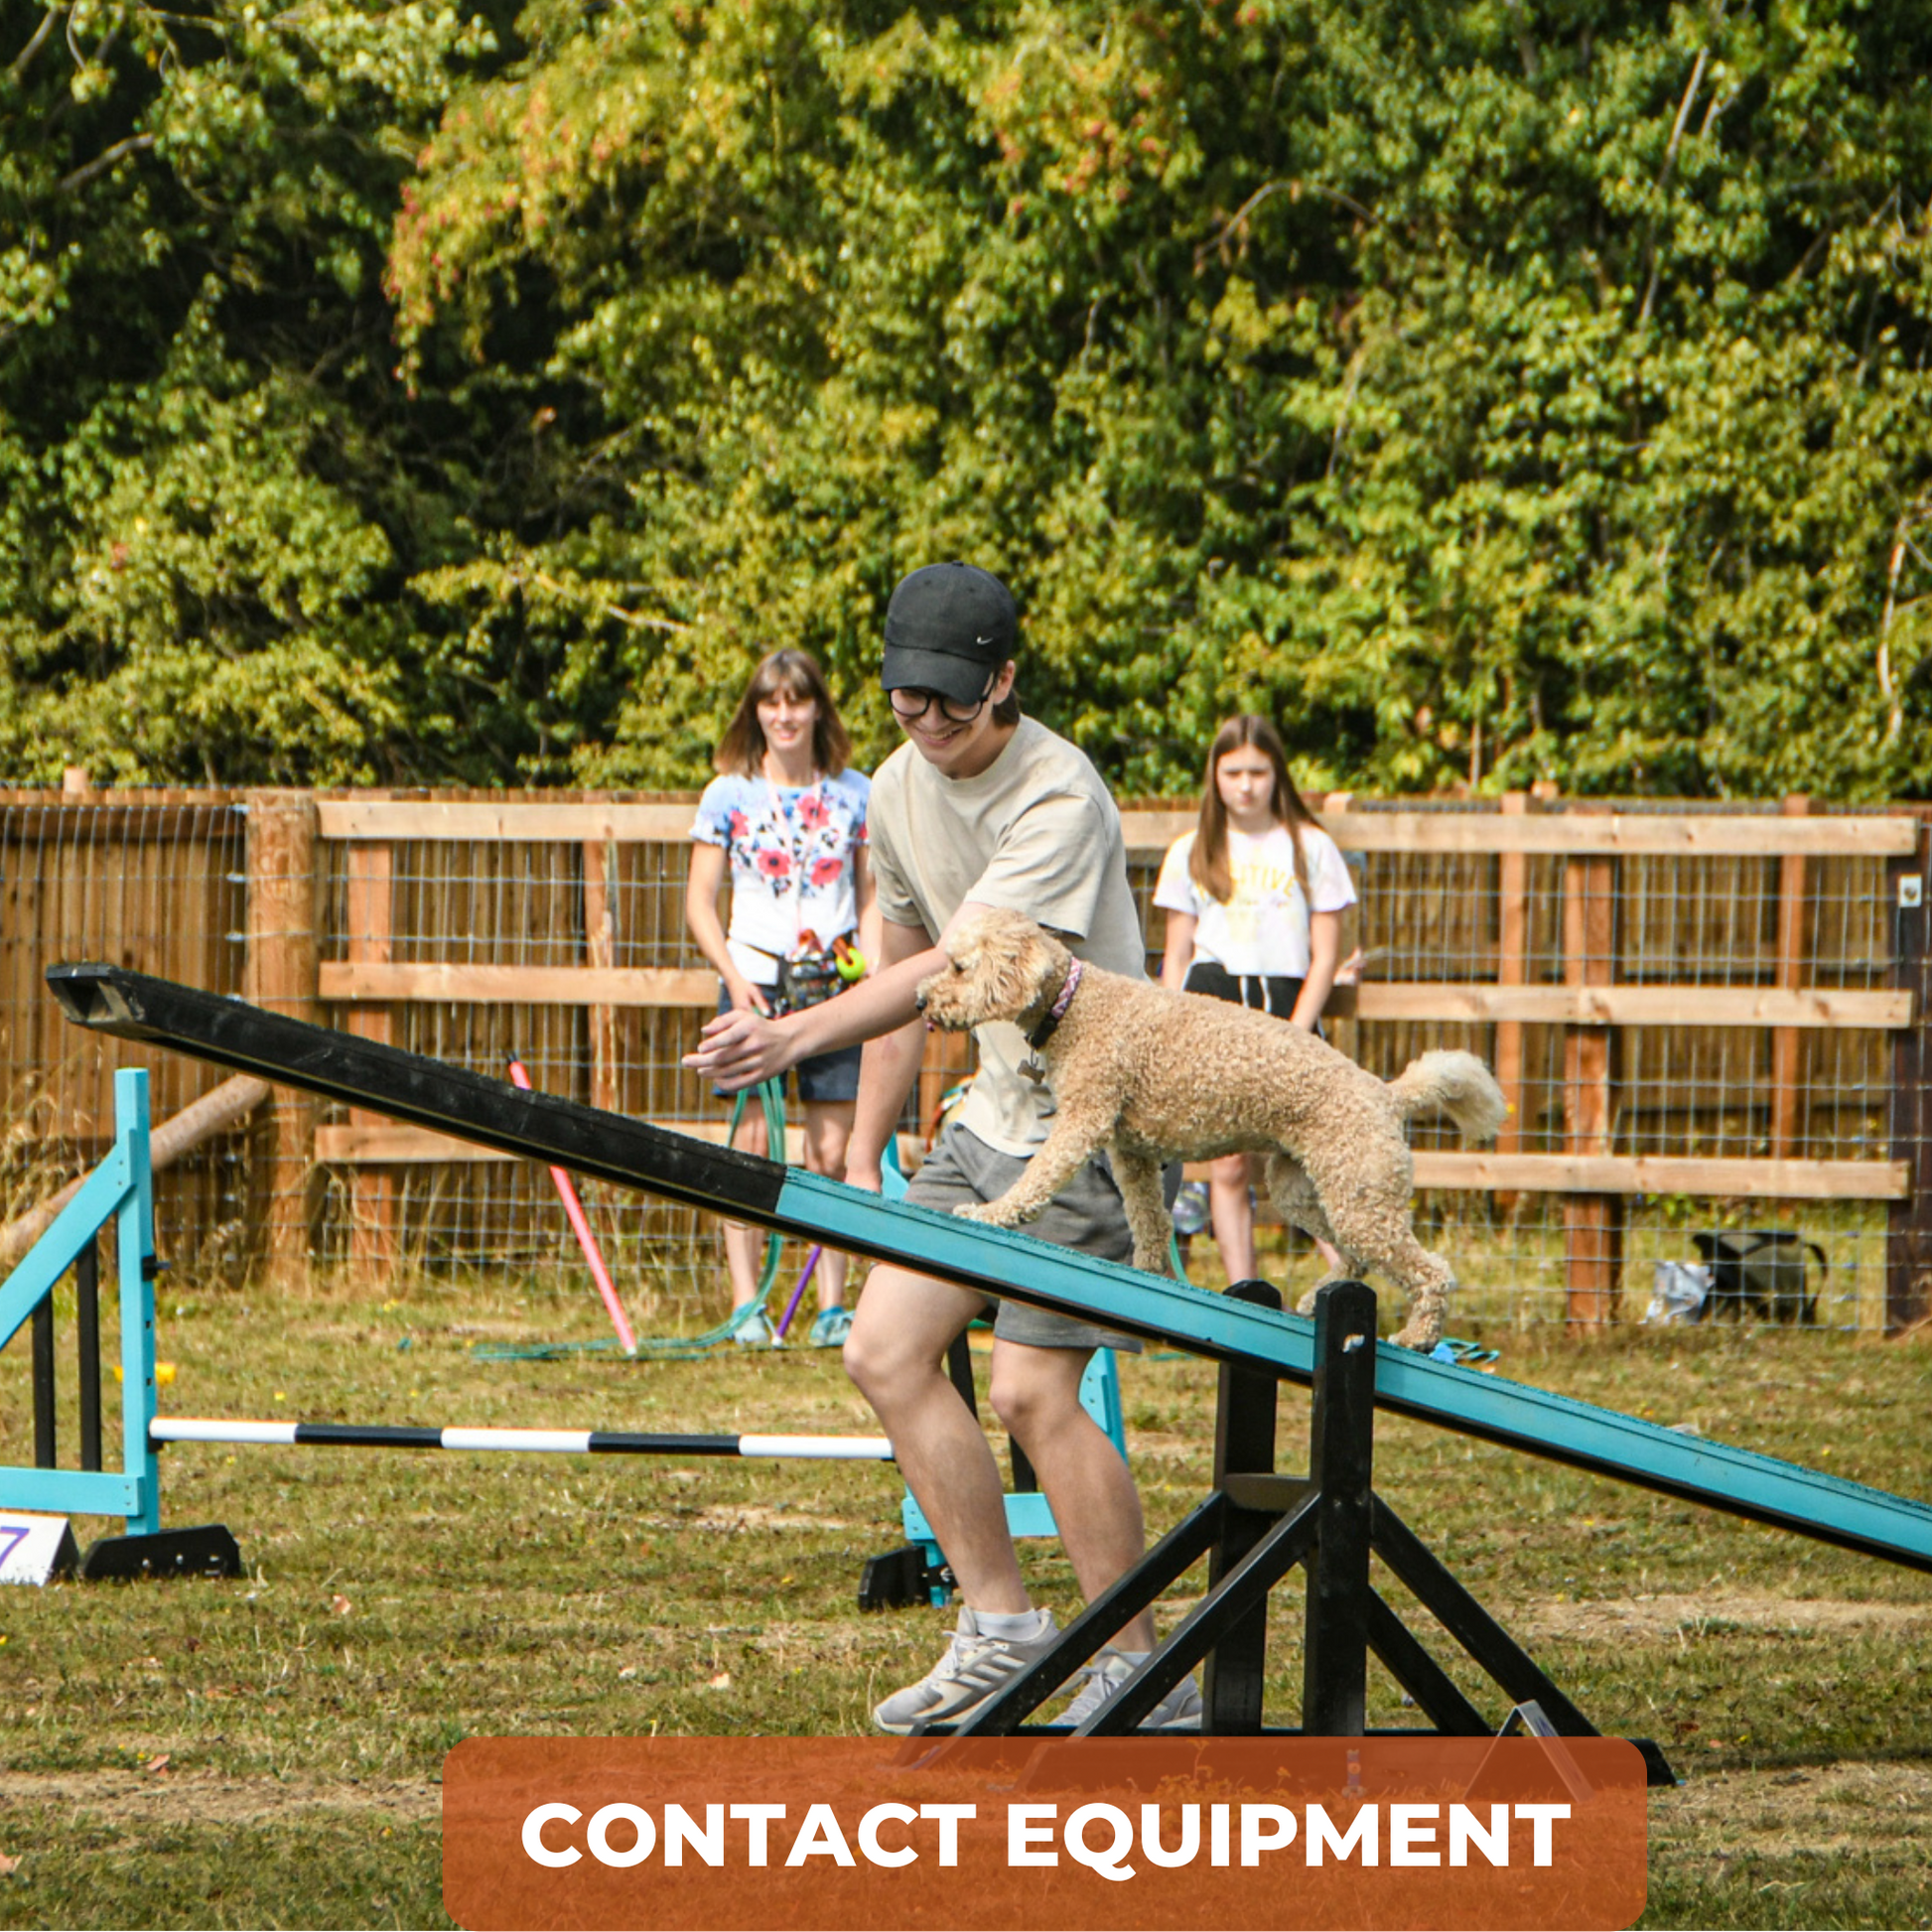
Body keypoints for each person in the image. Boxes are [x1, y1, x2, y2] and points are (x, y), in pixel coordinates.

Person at [685, 562, 1198, 1733]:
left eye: (949, 705)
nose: (924, 725)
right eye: (905, 703)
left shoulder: (1058, 797)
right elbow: (898, 966)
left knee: (1027, 1386)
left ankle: (1134, 1669)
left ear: (1002, 681)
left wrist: (787, 1035)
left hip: (1088, 1127)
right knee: (882, 1348)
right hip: (986, 1119)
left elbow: (944, 971)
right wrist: (859, 1153)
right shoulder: (897, 792)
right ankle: (1001, 1631)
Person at [685, 648, 872, 1348]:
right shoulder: (727, 794)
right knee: (749, 1150)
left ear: (818, 707)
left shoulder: (858, 792)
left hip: (832, 985)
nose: (784, 715)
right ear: (756, 711)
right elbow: (700, 904)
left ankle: (831, 1307)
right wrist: (735, 980)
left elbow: (872, 892)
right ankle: (746, 1306)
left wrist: (872, 965)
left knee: (831, 1153)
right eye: (771, 702)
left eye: (797, 701)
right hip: (753, 983)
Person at [1156, 715, 1358, 1287]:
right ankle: (1244, 1295)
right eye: (1234, 772)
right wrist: (1169, 1031)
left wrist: (1298, 1029)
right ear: (1215, 777)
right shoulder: (1191, 851)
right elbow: (1175, 955)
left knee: (1305, 1153)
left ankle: (1347, 1284)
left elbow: (1324, 955)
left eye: (1258, 772)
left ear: (1278, 775)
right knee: (1226, 1158)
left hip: (1288, 1006)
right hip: (1214, 1006)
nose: (1246, 785)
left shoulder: (1311, 847)